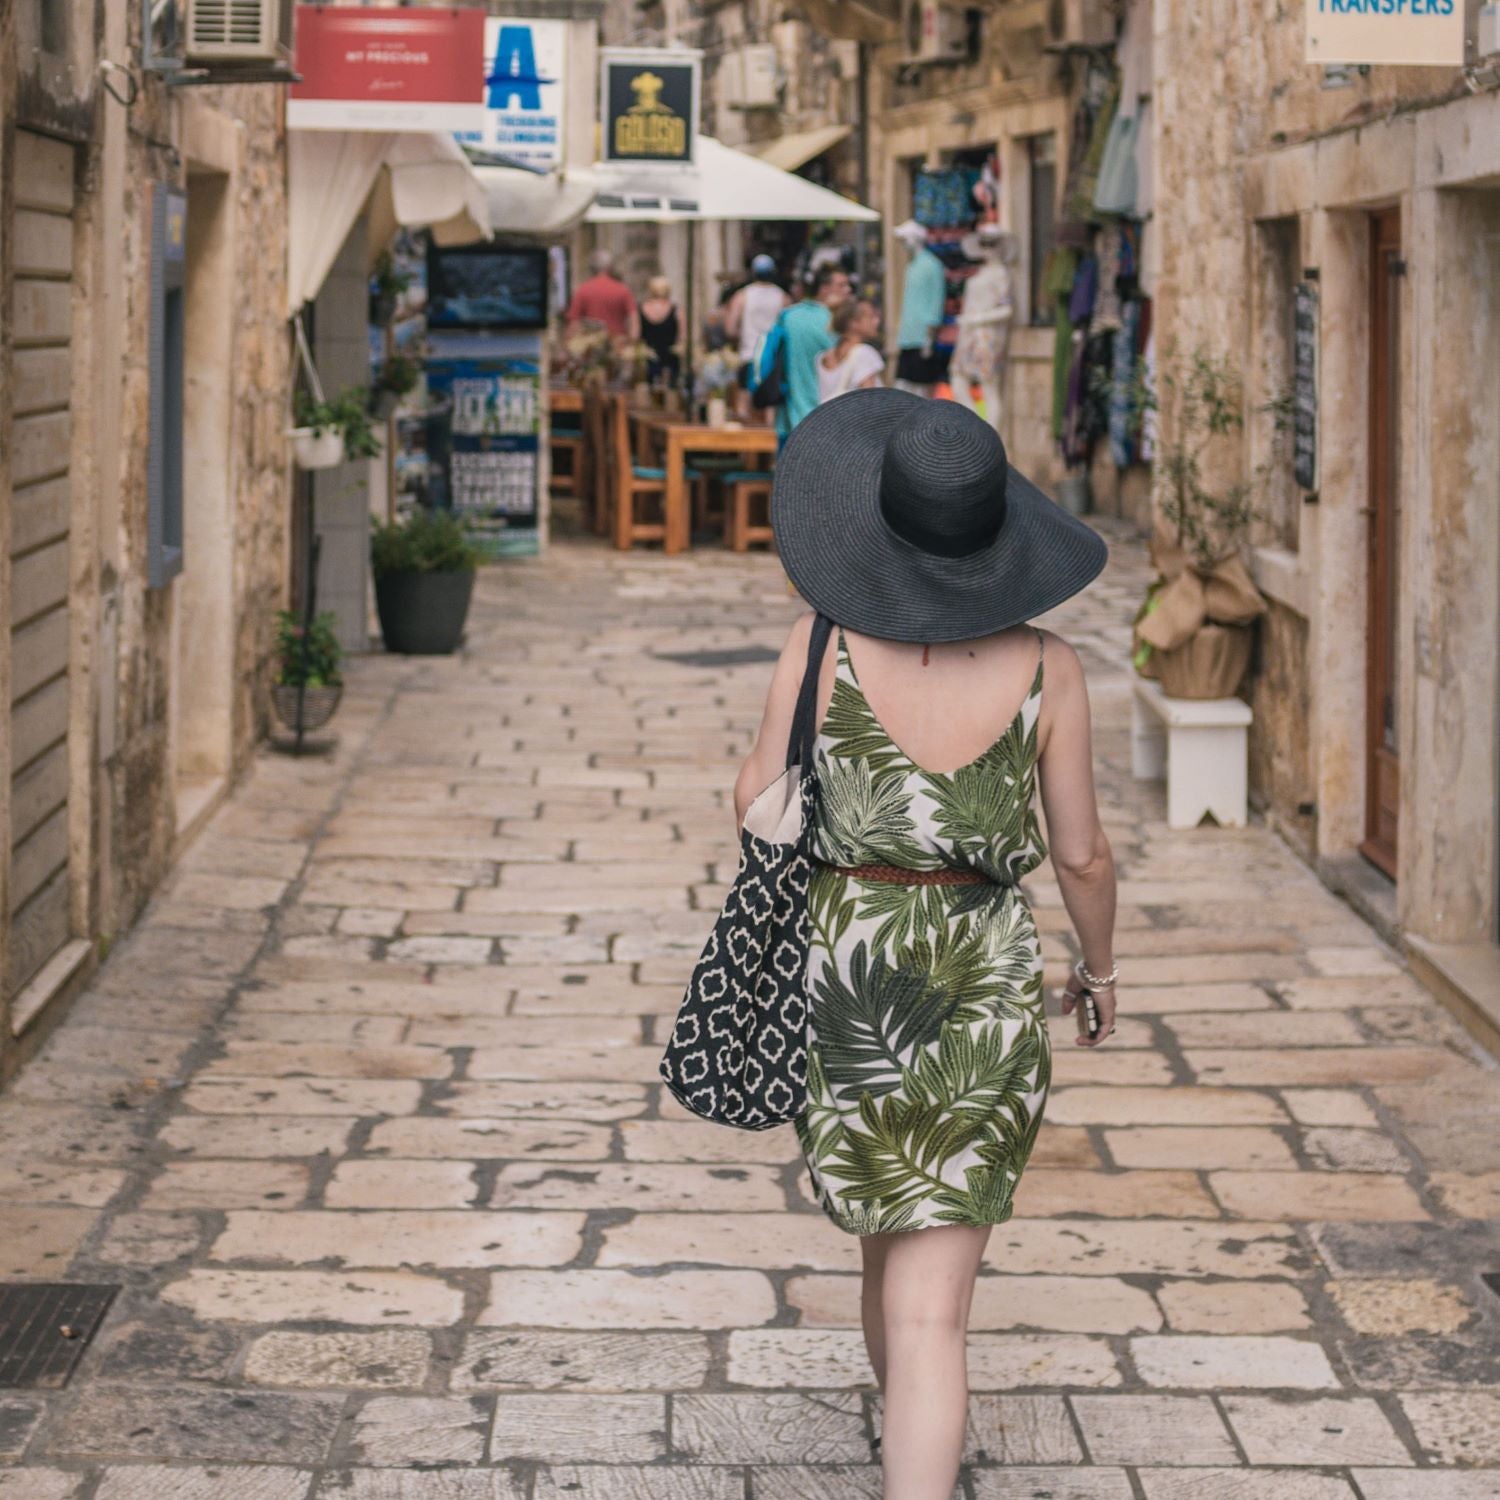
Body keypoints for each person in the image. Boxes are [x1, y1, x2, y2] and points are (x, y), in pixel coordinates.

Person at [734, 392, 1116, 1500]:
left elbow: (757, 798)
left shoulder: (817, 649)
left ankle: (910, 1431)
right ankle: (922, 1457)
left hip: (844, 979)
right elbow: (1082, 857)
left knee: (883, 1257)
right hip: (981, 988)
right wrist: (1097, 973)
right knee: (936, 1308)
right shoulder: (1050, 669)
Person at [775, 262, 851, 446]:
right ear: (824, 288)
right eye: (841, 285)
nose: (848, 290)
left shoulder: (788, 316)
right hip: (826, 420)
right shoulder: (835, 323)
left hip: (789, 418)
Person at [892, 219, 948, 395]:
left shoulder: (932, 265)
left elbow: (936, 300)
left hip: (922, 336)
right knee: (902, 386)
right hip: (907, 335)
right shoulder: (911, 265)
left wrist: (929, 337)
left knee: (922, 390)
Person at [724, 253, 789, 364]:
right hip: (773, 359)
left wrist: (741, 339)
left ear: (753, 272)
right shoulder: (783, 298)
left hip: (748, 356)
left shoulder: (741, 296)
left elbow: (730, 330)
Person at [817, 298, 885, 403]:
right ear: (854, 323)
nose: (877, 321)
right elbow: (870, 402)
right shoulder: (864, 353)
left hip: (831, 418)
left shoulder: (823, 357)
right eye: (871, 316)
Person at [564, 248, 639, 341]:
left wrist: (568, 345)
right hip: (618, 347)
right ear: (610, 267)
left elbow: (573, 325)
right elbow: (634, 321)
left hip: (590, 348)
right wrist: (633, 344)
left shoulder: (582, 290)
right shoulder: (623, 290)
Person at [638, 274, 681, 386]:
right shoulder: (676, 310)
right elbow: (682, 337)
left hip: (647, 360)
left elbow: (636, 335)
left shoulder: (641, 309)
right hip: (670, 360)